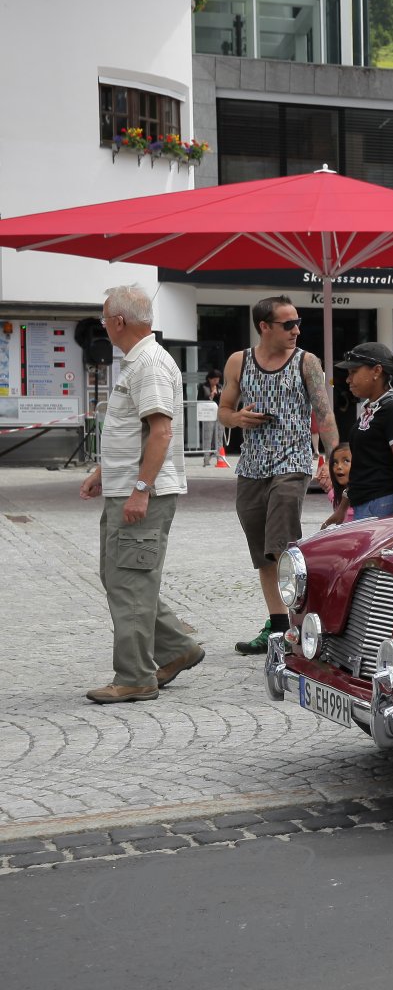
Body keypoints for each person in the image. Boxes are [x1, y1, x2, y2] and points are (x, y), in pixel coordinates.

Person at [79, 285, 204, 703]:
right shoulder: (138, 361)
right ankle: (177, 649)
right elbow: (135, 432)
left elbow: (161, 432)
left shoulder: (148, 363)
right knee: (122, 577)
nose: (103, 326)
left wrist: (140, 490)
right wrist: (104, 472)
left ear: (118, 322)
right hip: (127, 490)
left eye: (104, 319)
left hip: (141, 494)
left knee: (130, 582)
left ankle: (135, 676)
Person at [218, 296, 337, 655]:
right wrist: (237, 418)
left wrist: (334, 460)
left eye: (298, 322)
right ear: (264, 327)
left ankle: (300, 625)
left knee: (282, 545)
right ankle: (278, 625)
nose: (296, 330)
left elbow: (324, 415)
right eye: (288, 324)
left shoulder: (306, 362)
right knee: (262, 554)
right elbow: (224, 410)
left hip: (293, 463)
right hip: (251, 467)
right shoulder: (239, 361)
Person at [335, 342, 393, 520]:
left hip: (383, 504)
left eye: (353, 372)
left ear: (377, 371)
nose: (348, 379)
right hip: (366, 504)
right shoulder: (372, 409)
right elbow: (362, 466)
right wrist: (342, 508)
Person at [320, 442, 353, 529]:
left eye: (346, 461)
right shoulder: (333, 494)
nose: (339, 466)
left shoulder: (366, 497)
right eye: (335, 462)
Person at [196, 368, 224, 463]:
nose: (216, 381)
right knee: (208, 435)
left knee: (219, 435)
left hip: (219, 413)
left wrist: (219, 395)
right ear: (209, 379)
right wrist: (211, 396)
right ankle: (206, 457)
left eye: (218, 379)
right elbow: (199, 399)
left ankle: (220, 458)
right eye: (214, 379)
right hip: (208, 414)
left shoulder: (220, 387)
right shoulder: (203, 386)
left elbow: (223, 400)